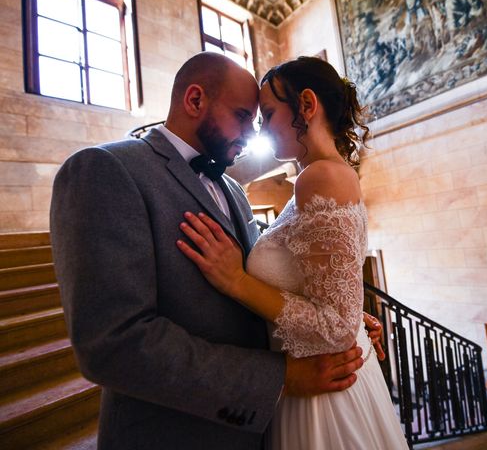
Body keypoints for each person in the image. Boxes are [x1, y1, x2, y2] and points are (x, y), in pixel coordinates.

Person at [50, 52, 379, 450]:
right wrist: (279, 378)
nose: (251, 133)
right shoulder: (105, 170)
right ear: (194, 100)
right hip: (174, 434)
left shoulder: (236, 193)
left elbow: (269, 279)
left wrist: (336, 311)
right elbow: (115, 342)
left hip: (261, 430)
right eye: (243, 116)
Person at [178, 56, 409, 449]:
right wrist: (352, 311)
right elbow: (328, 287)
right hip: (311, 376)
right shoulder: (319, 174)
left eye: (267, 114)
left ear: (306, 105)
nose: (261, 129)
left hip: (323, 396)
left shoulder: (318, 177)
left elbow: (334, 325)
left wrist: (236, 279)